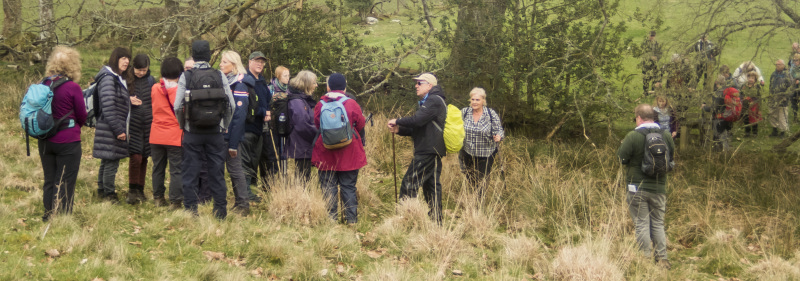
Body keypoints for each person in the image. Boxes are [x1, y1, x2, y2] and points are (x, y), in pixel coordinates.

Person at [174, 40, 235, 219]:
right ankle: (220, 211)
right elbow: (231, 105)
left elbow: (178, 105)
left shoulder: (187, 76)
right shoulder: (219, 74)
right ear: (209, 56)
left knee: (190, 172)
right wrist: (224, 125)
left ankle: (191, 211)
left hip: (192, 132)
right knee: (216, 172)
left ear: (193, 55)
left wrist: (183, 125)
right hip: (215, 132)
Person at [618, 104, 675, 269]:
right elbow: (670, 158)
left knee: (642, 223)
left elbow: (621, 159)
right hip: (659, 187)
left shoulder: (632, 136)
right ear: (653, 117)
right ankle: (662, 259)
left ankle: (644, 259)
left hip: (636, 187)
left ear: (638, 117)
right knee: (658, 223)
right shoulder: (666, 136)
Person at [387, 73, 447, 223]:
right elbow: (418, 128)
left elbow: (417, 121)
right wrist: (399, 130)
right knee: (431, 185)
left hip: (427, 149)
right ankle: (436, 221)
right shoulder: (430, 101)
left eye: (419, 83)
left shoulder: (433, 100)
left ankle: (406, 218)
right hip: (433, 149)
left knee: (409, 183)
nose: (416, 86)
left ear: (429, 85)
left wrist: (397, 120)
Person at [38, 46, 87, 221]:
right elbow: (82, 115)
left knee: (50, 178)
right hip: (68, 141)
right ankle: (62, 217)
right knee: (65, 180)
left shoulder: (43, 84)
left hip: (44, 139)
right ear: (73, 65)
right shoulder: (72, 87)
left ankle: (48, 214)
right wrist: (74, 127)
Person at [311, 73, 367, 224]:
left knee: (328, 186)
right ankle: (351, 220)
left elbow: (318, 125)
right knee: (348, 186)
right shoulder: (351, 103)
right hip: (349, 151)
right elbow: (361, 124)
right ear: (345, 87)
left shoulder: (320, 104)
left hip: (326, 151)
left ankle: (331, 220)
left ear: (328, 86)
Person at [93, 47, 132, 204]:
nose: (126, 61)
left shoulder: (115, 78)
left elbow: (116, 101)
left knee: (107, 159)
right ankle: (109, 194)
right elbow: (109, 106)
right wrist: (119, 130)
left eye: (128, 58)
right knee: (111, 161)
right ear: (115, 59)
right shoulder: (109, 79)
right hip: (110, 128)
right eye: (123, 58)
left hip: (108, 127)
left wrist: (129, 100)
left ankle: (102, 191)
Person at [220, 50, 254, 216]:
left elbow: (239, 116)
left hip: (232, 135)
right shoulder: (226, 82)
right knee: (231, 169)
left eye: (224, 62)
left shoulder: (239, 84)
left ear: (233, 65)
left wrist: (233, 143)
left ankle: (243, 204)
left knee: (235, 169)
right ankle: (237, 202)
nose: (221, 64)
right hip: (223, 133)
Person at [150, 57, 184, 208]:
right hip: (174, 135)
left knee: (158, 167)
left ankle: (158, 197)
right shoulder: (180, 90)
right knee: (176, 169)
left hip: (156, 133)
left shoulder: (155, 88)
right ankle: (175, 200)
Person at [459, 87, 504, 201]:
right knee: (469, 174)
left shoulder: (490, 114)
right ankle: (474, 192)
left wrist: (499, 136)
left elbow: (499, 129)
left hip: (486, 152)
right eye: (472, 99)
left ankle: (479, 202)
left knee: (482, 178)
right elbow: (455, 126)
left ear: (483, 100)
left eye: (477, 100)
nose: (474, 102)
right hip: (467, 151)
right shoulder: (464, 112)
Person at [126, 54, 155, 204]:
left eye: (144, 70)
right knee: (135, 157)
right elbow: (118, 97)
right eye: (138, 70)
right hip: (133, 124)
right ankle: (132, 190)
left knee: (144, 157)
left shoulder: (151, 81)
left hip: (148, 125)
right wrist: (128, 99)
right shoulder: (126, 80)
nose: (141, 73)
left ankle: (140, 189)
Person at [243, 52, 271, 202]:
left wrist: (268, 110)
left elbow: (267, 98)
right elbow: (248, 106)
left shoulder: (261, 80)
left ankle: (252, 192)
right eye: (257, 61)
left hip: (259, 128)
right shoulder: (246, 80)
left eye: (262, 62)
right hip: (247, 128)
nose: (260, 64)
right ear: (249, 62)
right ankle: (246, 193)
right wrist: (262, 111)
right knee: (246, 162)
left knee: (254, 161)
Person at [285, 70, 318, 181]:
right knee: (303, 174)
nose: (316, 85)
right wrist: (318, 134)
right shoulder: (297, 101)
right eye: (314, 83)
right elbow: (302, 124)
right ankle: (300, 196)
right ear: (306, 84)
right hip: (301, 144)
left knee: (304, 172)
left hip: (304, 143)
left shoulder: (301, 100)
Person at [261, 66, 291, 183]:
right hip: (273, 125)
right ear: (278, 76)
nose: (288, 78)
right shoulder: (270, 88)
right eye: (285, 75)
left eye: (289, 75)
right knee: (272, 153)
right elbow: (267, 102)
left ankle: (284, 178)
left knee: (284, 153)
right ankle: (272, 180)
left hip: (285, 124)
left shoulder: (289, 89)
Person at [768, 59, 792, 137]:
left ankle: (783, 132)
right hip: (773, 98)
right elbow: (770, 85)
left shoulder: (787, 74)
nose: (777, 66)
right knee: (772, 114)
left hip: (783, 99)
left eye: (779, 64)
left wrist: (785, 96)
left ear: (783, 65)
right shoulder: (773, 74)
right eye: (776, 64)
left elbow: (791, 87)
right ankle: (774, 130)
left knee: (782, 116)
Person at [740, 71, 763, 137]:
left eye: (752, 78)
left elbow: (759, 98)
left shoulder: (757, 87)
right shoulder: (744, 86)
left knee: (754, 119)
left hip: (754, 105)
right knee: (746, 118)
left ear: (755, 79)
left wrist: (760, 109)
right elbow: (740, 95)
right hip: (745, 105)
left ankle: (754, 132)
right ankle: (747, 132)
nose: (750, 79)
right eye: (749, 77)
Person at [641, 31, 662, 96]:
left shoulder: (657, 44)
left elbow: (660, 53)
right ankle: (645, 92)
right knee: (646, 78)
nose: (652, 37)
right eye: (651, 35)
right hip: (646, 64)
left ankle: (653, 92)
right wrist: (650, 57)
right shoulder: (644, 43)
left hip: (654, 65)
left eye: (653, 36)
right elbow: (642, 53)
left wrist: (657, 57)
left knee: (655, 78)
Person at [790, 54, 800, 121]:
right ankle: (795, 116)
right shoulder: (792, 68)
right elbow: (790, 76)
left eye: (796, 60)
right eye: (794, 60)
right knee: (794, 101)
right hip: (794, 87)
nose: (795, 62)